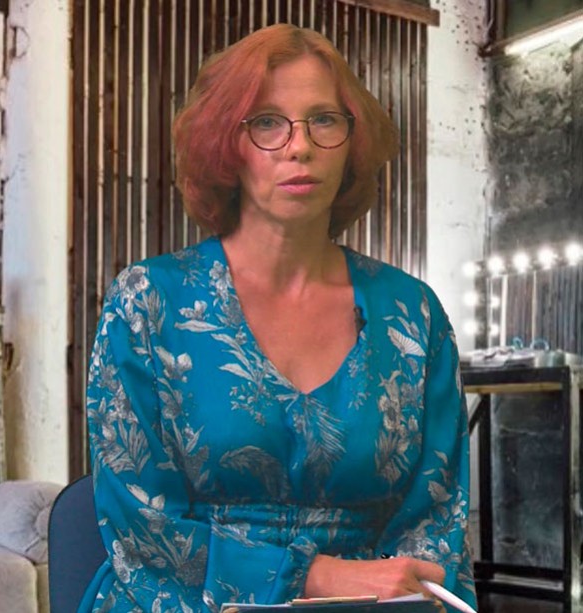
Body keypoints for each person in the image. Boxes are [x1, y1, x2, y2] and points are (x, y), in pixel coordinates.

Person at [79, 23, 476, 613]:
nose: (300, 146)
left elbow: (438, 517)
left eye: (325, 120)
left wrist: (393, 594)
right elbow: (141, 527)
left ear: (352, 141)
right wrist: (317, 577)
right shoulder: (146, 303)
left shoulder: (413, 313)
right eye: (267, 122)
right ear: (226, 145)